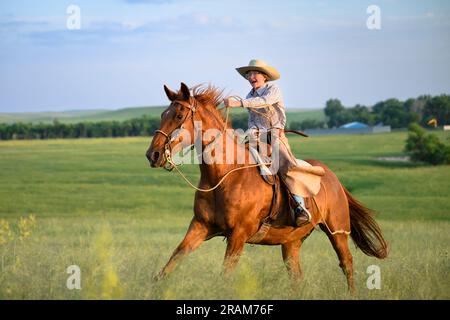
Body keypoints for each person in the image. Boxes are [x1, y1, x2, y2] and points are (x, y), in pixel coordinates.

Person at [223, 59, 325, 226]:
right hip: (259, 137)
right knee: (243, 163)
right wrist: (251, 133)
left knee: (285, 166)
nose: (251, 77)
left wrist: (238, 103)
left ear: (264, 76)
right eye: (249, 74)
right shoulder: (250, 95)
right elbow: (253, 120)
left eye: (255, 73)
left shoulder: (273, 90)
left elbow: (264, 102)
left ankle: (300, 207)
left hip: (276, 135)